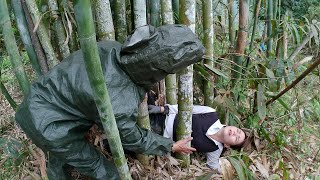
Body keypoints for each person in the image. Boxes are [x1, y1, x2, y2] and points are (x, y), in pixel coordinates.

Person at [15, 24, 205, 179]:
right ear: (156, 72)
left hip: (33, 103)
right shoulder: (117, 102)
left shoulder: (108, 47)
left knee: (61, 155)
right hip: (50, 128)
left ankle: (56, 173)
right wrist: (170, 145)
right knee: (107, 172)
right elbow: (131, 137)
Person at [148, 104, 246, 173]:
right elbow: (186, 108)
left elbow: (214, 167)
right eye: (237, 131)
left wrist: (233, 172)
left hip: (161, 138)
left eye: (236, 138)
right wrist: (161, 109)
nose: (234, 133)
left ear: (228, 145)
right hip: (163, 118)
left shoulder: (215, 150)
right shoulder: (211, 113)